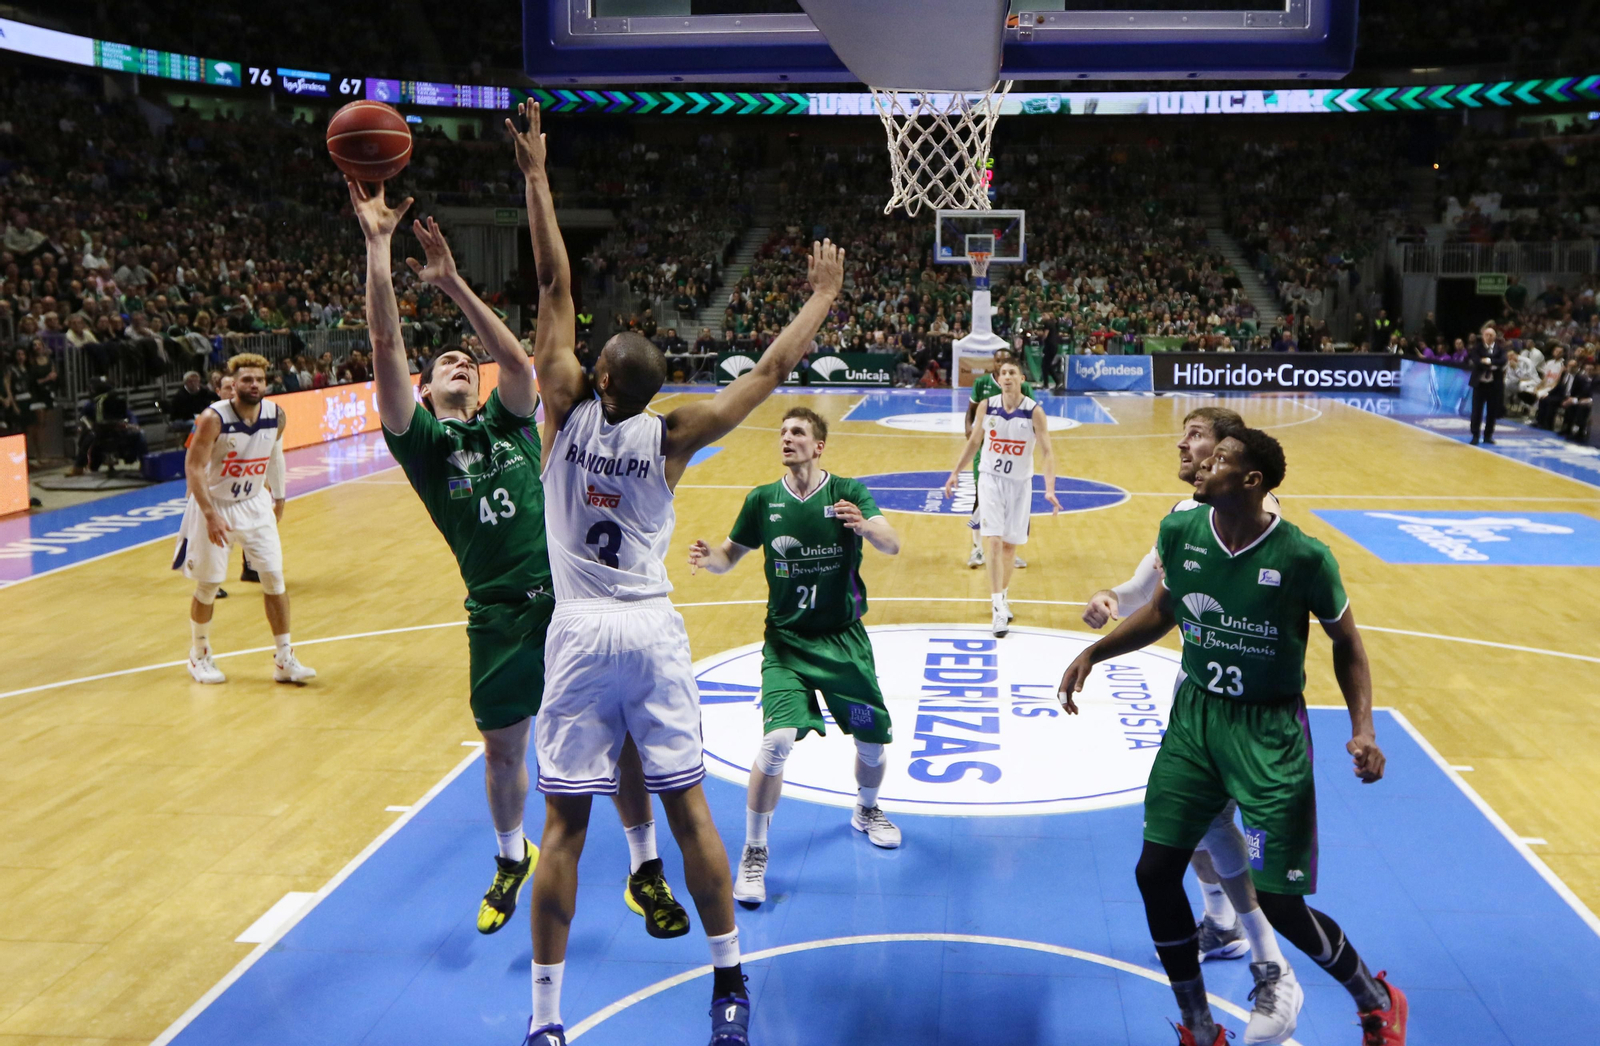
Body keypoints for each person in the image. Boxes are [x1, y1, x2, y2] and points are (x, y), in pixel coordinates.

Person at [509, 100, 844, 1046]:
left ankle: (545, 1020)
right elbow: (773, 371)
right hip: (653, 632)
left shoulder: (563, 410)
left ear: (596, 376)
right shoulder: (675, 434)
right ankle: (729, 986)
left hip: (577, 633)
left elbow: (550, 277)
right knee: (691, 809)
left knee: (566, 831)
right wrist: (819, 297)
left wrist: (537, 174)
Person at [348, 182, 685, 942]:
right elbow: (385, 348)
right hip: (498, 615)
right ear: (428, 391)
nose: (458, 361)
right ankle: (510, 854)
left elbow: (518, 358)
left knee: (621, 736)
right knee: (505, 751)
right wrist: (378, 249)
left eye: (464, 357)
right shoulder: (426, 447)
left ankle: (644, 866)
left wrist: (454, 285)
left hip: (570, 602)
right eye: (443, 363)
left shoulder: (511, 420)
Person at [1058, 428, 1407, 1046]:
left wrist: (1362, 728)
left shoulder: (1304, 557)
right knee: (1154, 871)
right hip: (1195, 720)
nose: (1202, 463)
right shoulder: (1181, 531)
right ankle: (1198, 1025)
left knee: (1281, 903)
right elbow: (1165, 611)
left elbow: (1347, 641)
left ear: (1252, 482)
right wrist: (1097, 652)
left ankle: (1373, 995)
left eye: (1219, 459)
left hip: (1269, 733)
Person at [1080, 406, 1297, 1043]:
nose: (1184, 444)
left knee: (1207, 824)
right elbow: (1151, 586)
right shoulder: (1181, 518)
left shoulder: (1259, 531)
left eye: (1197, 436)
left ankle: (1269, 957)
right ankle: (1222, 923)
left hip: (1244, 704)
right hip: (1193, 690)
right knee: (1190, 825)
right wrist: (1112, 602)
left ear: (1228, 454)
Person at [686, 407, 903, 907]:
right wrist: (709, 558)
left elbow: (892, 543)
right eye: (783, 432)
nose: (787, 438)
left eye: (798, 432)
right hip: (786, 643)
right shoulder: (763, 500)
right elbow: (727, 556)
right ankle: (755, 851)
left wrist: (866, 526)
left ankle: (866, 809)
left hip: (844, 642)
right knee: (778, 739)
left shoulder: (848, 491)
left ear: (818, 445)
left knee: (872, 743)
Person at [172, 353, 314, 686]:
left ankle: (284, 659)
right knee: (208, 584)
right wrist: (209, 514)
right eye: (247, 380)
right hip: (216, 504)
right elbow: (193, 467)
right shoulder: (211, 418)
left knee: (275, 580)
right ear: (232, 384)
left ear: (267, 383)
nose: (254, 385)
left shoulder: (276, 415)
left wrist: (279, 495)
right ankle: (199, 654)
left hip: (255, 503)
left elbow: (275, 455)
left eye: (259, 380)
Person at [942, 359, 1060, 636]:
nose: (1007, 377)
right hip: (990, 480)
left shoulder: (1034, 412)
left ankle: (1003, 596)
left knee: (1009, 547)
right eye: (1003, 373)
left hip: (1020, 484)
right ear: (998, 379)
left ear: (1021, 378)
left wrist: (1050, 488)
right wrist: (955, 472)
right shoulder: (988, 405)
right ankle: (997, 608)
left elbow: (1047, 452)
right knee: (993, 541)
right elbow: (974, 442)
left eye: (1012, 373)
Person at [961, 348, 1033, 569]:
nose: (1001, 365)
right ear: (994, 365)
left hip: (1013, 455)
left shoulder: (1024, 388)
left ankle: (1008, 551)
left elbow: (1030, 415)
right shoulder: (982, 384)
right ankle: (976, 549)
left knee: (1013, 506)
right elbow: (971, 410)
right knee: (980, 498)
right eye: (997, 361)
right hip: (987, 453)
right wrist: (969, 430)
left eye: (1005, 362)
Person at [1469, 325, 1506, 445]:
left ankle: (1488, 435)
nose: (1489, 337)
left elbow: (1503, 361)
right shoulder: (1477, 348)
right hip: (1480, 384)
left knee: (1492, 412)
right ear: (1483, 336)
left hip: (1494, 385)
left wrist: (1488, 361)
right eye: (1487, 335)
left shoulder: (1500, 349)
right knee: (1476, 411)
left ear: (1495, 337)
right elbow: (1476, 360)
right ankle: (1475, 435)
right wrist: (1491, 364)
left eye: (1491, 335)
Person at [168, 371, 218, 438]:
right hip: (181, 420)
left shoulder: (202, 391)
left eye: (196, 381)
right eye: (191, 381)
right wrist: (197, 416)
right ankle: (193, 443)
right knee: (197, 424)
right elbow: (182, 413)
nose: (194, 383)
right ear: (185, 383)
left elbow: (216, 397)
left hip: (199, 417)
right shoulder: (180, 395)